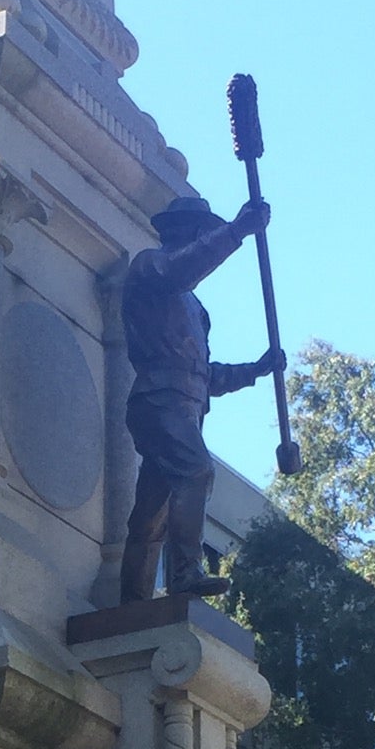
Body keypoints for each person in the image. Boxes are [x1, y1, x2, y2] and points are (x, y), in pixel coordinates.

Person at [119, 196, 284, 603]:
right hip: (158, 400)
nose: (208, 239)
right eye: (206, 232)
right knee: (195, 472)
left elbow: (205, 376)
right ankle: (184, 574)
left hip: (187, 408)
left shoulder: (194, 307)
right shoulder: (151, 267)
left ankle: (133, 599)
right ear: (190, 232)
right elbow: (181, 271)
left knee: (151, 514)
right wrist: (235, 232)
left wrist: (256, 370)